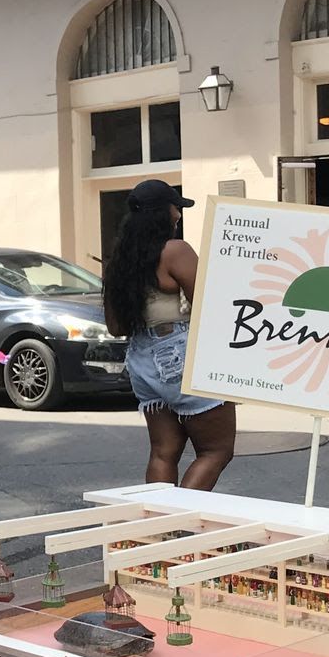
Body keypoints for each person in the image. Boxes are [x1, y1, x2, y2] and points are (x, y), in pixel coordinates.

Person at [102, 179, 237, 490]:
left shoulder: (119, 262)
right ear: (163, 212)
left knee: (164, 452)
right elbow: (209, 304)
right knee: (215, 450)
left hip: (141, 360)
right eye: (177, 208)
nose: (179, 215)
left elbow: (116, 327)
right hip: (179, 353)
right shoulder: (175, 251)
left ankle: (158, 528)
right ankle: (178, 525)